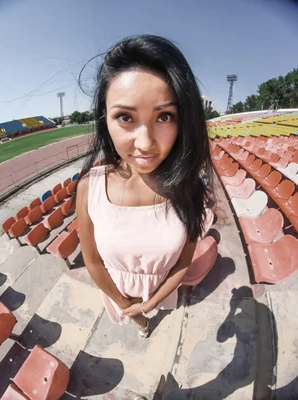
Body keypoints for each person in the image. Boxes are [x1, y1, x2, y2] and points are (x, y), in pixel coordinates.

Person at [75, 34, 215, 339]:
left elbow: (183, 262)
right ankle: (140, 325)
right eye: (125, 117)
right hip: (117, 295)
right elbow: (93, 260)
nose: (145, 143)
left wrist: (150, 303)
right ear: (104, 119)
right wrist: (126, 305)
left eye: (164, 116)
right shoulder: (90, 188)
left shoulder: (189, 189)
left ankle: (146, 321)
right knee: (138, 323)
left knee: (150, 317)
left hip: (160, 293)